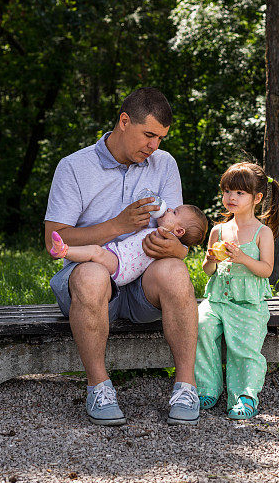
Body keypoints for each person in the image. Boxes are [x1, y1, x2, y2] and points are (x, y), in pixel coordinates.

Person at [44, 87, 201, 426]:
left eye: (160, 138)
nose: (154, 146)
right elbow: (54, 239)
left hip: (143, 283)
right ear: (124, 121)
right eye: (148, 135)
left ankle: (186, 386)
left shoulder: (164, 165)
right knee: (90, 275)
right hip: (93, 278)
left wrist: (177, 247)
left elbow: (177, 233)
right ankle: (99, 387)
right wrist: (117, 225)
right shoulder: (74, 167)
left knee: (174, 270)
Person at [194, 162, 279, 420]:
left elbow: (266, 270)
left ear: (256, 198)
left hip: (249, 303)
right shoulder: (218, 230)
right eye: (227, 191)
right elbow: (208, 271)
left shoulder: (262, 232)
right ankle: (208, 387)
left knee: (244, 347)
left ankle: (245, 395)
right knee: (201, 326)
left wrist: (243, 258)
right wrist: (211, 258)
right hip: (217, 300)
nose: (231, 198)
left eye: (239, 193)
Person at [49, 204, 208, 286]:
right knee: (94, 252)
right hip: (118, 256)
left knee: (95, 252)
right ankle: (64, 250)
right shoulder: (157, 233)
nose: (170, 209)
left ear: (179, 231)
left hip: (120, 266)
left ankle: (64, 251)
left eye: (174, 213)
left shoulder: (163, 238)